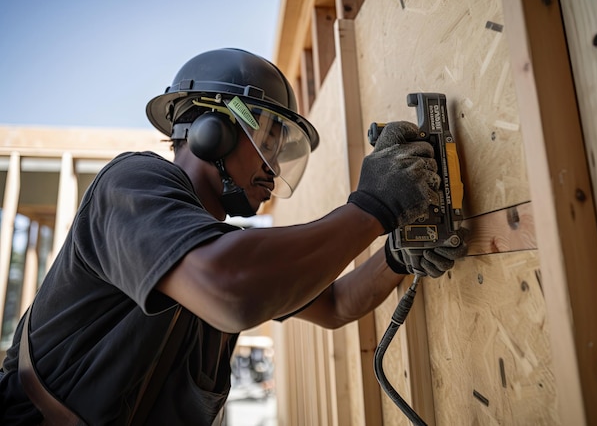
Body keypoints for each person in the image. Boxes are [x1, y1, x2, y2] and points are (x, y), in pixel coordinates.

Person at [0, 48, 466, 425]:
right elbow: (230, 290)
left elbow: (338, 304)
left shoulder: (222, 252)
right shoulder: (134, 184)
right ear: (211, 131)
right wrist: (374, 208)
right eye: (266, 143)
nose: (274, 168)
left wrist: (397, 256)